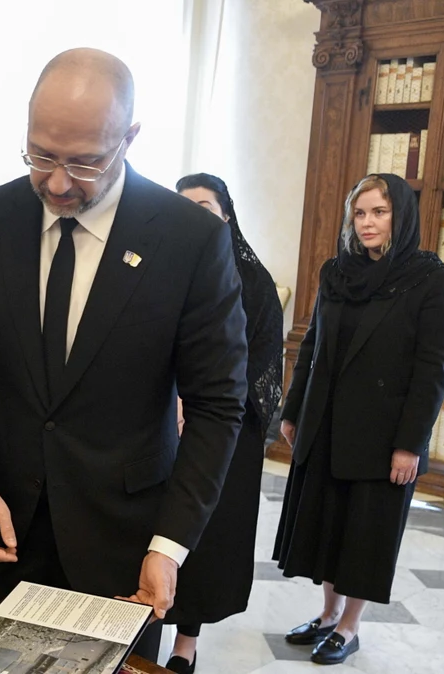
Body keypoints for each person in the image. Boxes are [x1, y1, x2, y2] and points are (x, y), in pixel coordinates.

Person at [0, 47, 248, 664]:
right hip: (7, 526)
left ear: (128, 138)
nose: (56, 182)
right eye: (41, 155)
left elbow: (216, 405)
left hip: (126, 540)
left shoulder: (189, 239)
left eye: (84, 162)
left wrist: (171, 544)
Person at [275, 173, 444, 666]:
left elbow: (432, 369)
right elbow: (312, 344)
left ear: (400, 215)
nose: (368, 223)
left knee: (362, 535)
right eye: (360, 213)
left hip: (383, 435)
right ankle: (329, 614)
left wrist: (410, 444)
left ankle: (351, 626)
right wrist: (292, 411)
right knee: (327, 526)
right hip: (326, 423)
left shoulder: (430, 279)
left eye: (380, 212)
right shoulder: (336, 271)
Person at [163, 174, 284, 673]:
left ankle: (185, 645)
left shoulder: (254, 283)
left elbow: (261, 361)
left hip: (225, 432)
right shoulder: (155, 268)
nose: (195, 215)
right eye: (184, 206)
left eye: (206, 206)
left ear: (226, 216)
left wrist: (205, 404)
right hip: (159, 427)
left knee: (205, 539)